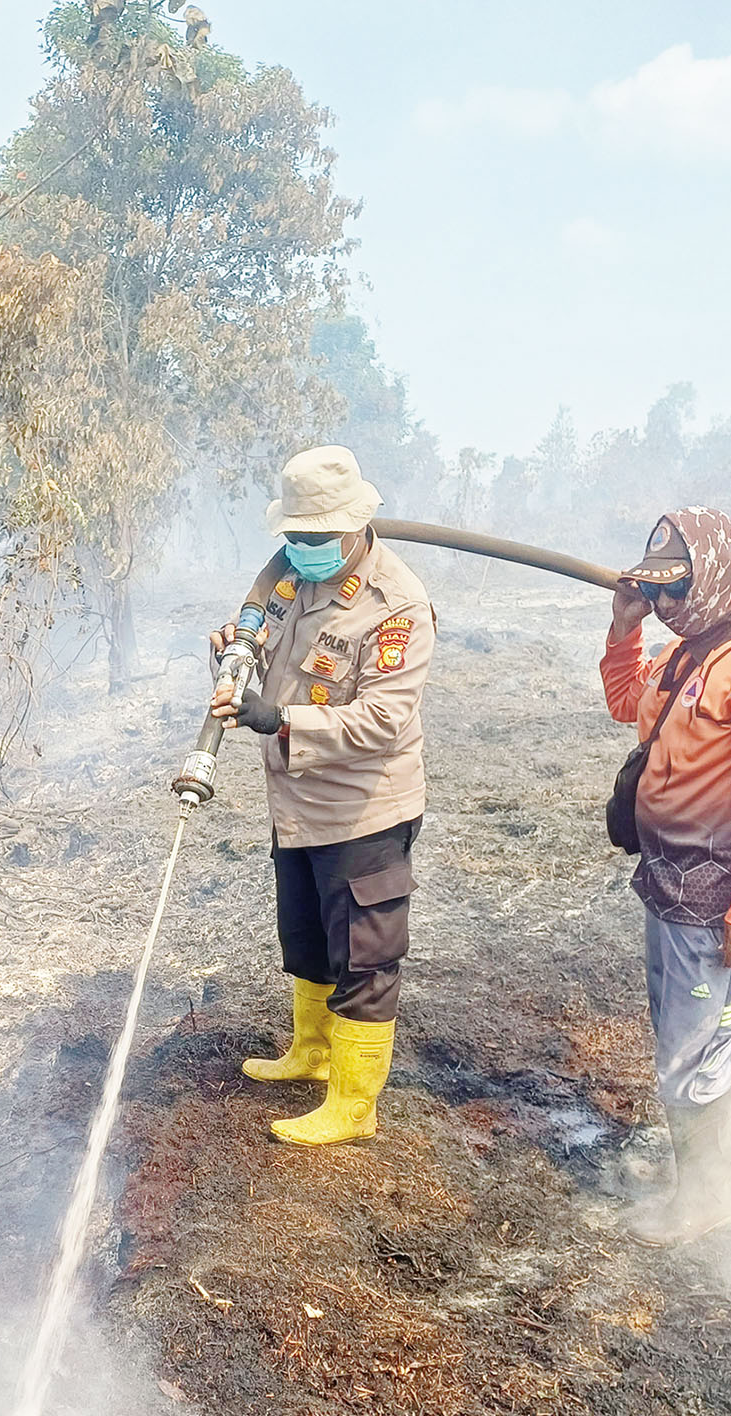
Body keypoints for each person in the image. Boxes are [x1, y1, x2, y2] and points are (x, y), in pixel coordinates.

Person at [601, 507, 731, 1246]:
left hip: (717, 891)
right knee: (677, 1042)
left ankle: (709, 1200)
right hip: (666, 881)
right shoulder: (689, 649)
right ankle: (701, 1178)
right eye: (656, 593)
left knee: (695, 1053)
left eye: (674, 590)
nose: (666, 606)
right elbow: (627, 701)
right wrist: (627, 625)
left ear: (718, 575)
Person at [210, 445, 434, 1145]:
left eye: (314, 538)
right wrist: (232, 654)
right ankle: (311, 1055)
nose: (301, 550)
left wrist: (280, 719)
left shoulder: (395, 605)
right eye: (293, 538)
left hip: (363, 811)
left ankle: (354, 1106)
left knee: (363, 956)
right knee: (305, 935)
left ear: (354, 526)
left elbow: (382, 719)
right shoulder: (289, 581)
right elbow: (266, 649)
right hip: (299, 803)